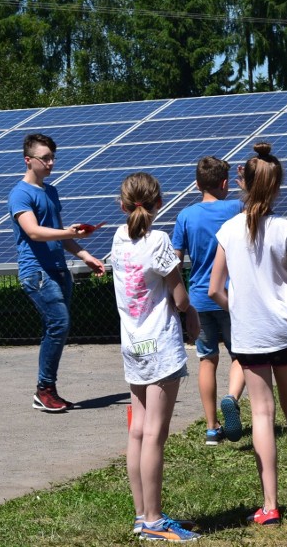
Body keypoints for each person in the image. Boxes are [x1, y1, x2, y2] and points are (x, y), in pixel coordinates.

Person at [209, 142, 287, 526]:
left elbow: (215, 288)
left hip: (248, 337)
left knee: (261, 415)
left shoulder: (228, 230)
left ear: (242, 183)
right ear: (278, 186)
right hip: (285, 334)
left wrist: (243, 311)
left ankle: (269, 505)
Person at [111, 172, 202, 541]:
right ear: (159, 204)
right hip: (160, 346)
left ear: (122, 205)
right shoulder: (160, 240)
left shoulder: (118, 237)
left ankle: (140, 514)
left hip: (132, 345)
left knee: (138, 430)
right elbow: (179, 298)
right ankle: (153, 520)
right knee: (154, 435)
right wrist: (192, 315)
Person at [8, 133, 105, 412]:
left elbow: (60, 235)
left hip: (58, 270)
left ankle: (47, 389)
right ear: (28, 160)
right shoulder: (20, 194)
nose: (51, 163)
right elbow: (34, 231)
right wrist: (68, 231)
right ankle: (44, 389)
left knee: (56, 327)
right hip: (37, 272)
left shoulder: (50, 191)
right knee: (59, 324)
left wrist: (86, 256)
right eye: (45, 158)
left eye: (52, 157)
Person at [172, 156, 246, 446]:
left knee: (207, 360)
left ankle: (212, 428)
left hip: (199, 298)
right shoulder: (237, 208)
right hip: (232, 296)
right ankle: (231, 398)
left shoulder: (186, 216)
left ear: (196, 184)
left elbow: (175, 261)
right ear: (225, 183)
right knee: (240, 355)